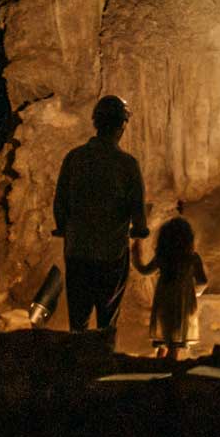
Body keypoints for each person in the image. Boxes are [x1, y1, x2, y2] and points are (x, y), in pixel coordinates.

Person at [52, 94, 149, 333]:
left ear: (96, 122)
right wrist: (139, 229)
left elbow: (60, 201)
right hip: (111, 253)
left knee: (78, 318)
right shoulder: (127, 164)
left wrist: (64, 226)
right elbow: (136, 205)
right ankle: (103, 364)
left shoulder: (75, 158)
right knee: (107, 320)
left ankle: (77, 363)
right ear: (121, 126)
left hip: (78, 251)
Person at [134, 215, 207, 359]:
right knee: (176, 342)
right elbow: (202, 281)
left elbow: (144, 270)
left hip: (164, 302)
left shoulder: (163, 257)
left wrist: (136, 251)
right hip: (182, 305)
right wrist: (195, 293)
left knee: (164, 338)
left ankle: (159, 370)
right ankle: (171, 374)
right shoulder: (192, 258)